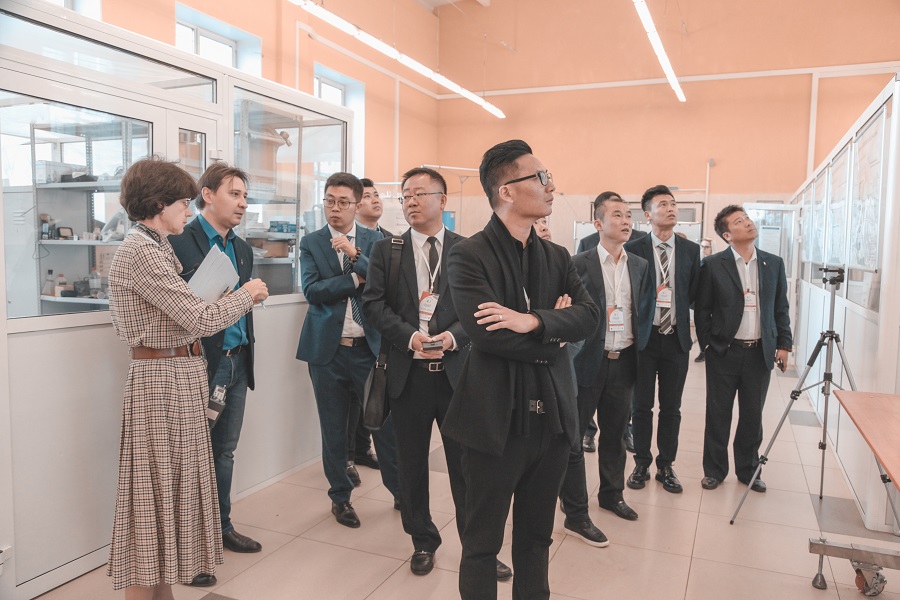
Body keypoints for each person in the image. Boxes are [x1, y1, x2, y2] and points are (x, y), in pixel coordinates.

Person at [442, 140, 600, 600]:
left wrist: (532, 321)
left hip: (551, 420)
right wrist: (555, 334)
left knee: (536, 540)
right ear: (507, 191)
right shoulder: (469, 254)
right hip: (493, 420)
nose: (551, 186)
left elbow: (589, 317)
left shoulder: (557, 256)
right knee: (481, 544)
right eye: (540, 177)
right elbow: (487, 335)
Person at [106, 157, 268, 599]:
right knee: (152, 500)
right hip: (160, 382)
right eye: (183, 202)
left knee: (169, 495)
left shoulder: (155, 246)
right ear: (159, 204)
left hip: (177, 378)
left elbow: (186, 312)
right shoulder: (140, 251)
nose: (188, 210)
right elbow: (198, 317)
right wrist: (246, 295)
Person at [362, 167, 511, 580]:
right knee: (410, 465)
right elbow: (373, 306)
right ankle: (423, 540)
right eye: (405, 195)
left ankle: (478, 548)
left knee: (467, 468)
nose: (411, 201)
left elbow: (483, 307)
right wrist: (410, 337)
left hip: (457, 375)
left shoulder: (470, 249)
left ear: (443, 201)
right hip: (407, 377)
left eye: (420, 194)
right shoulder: (387, 250)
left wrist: (453, 337)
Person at [168, 163, 263, 587]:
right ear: (207, 195)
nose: (242, 203)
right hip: (200, 363)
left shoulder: (241, 248)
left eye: (245, 196)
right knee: (192, 456)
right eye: (234, 194)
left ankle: (220, 527)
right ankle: (187, 548)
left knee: (224, 451)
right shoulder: (178, 242)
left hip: (236, 360)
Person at [295, 172, 400, 528]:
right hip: (328, 352)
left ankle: (400, 491)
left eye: (343, 202)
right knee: (334, 429)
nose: (335, 209)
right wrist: (356, 279)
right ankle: (340, 498)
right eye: (329, 201)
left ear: (357, 204)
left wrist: (355, 256)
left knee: (384, 426)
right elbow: (313, 291)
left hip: (369, 350)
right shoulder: (311, 242)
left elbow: (387, 285)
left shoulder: (376, 240)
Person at [562, 194, 653, 528]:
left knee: (615, 435)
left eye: (628, 215)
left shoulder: (640, 265)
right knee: (573, 436)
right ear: (598, 224)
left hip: (624, 360)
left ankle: (612, 495)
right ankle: (572, 499)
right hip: (588, 360)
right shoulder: (578, 262)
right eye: (617, 215)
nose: (626, 221)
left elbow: (642, 312)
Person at [696, 205, 792, 493]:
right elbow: (702, 310)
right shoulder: (713, 265)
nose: (748, 223)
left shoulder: (773, 263)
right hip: (724, 351)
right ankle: (714, 471)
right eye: (739, 221)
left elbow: (780, 307)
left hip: (759, 353)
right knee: (718, 414)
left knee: (752, 415)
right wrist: (708, 345)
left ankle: (749, 469)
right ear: (727, 235)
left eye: (748, 218)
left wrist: (783, 344)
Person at [624, 185, 700, 496]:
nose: (671, 209)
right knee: (641, 406)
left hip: (675, 338)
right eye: (663, 204)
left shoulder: (691, 250)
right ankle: (641, 463)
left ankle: (666, 465)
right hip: (644, 338)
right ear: (647, 214)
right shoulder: (634, 248)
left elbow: (693, 292)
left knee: (671, 407)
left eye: (673, 204)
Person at [346, 177, 390, 476]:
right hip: (349, 332)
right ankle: (349, 456)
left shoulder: (390, 239)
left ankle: (364, 450)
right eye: (368, 195)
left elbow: (387, 284)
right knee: (350, 403)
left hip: (380, 332)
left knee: (375, 399)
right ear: (356, 204)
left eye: (377, 195)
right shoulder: (345, 239)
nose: (376, 200)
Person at [695, 238, 714, 362]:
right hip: (700, 299)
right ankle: (702, 350)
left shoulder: (715, 263)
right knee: (701, 325)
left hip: (712, 301)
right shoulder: (698, 261)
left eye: (706, 247)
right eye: (702, 247)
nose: (704, 249)